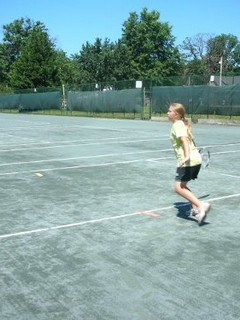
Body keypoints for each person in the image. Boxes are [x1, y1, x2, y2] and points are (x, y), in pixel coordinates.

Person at [167, 102, 211, 225]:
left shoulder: (178, 125)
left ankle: (200, 205)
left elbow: (185, 141)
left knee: (178, 187)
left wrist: (186, 157)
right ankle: (196, 208)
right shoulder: (180, 124)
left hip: (189, 161)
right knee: (183, 185)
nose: (167, 113)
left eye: (170, 111)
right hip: (194, 159)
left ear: (176, 114)